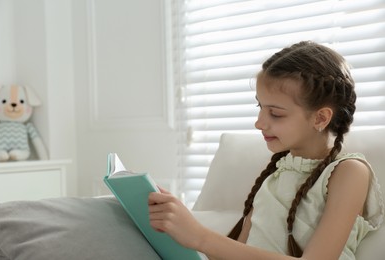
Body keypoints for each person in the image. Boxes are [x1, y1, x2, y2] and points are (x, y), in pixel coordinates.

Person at [148, 41, 384, 260]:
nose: (259, 122)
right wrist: (175, 222)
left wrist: (200, 236)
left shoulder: (349, 172)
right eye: (260, 107)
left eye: (276, 113)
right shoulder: (275, 173)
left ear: (320, 118)